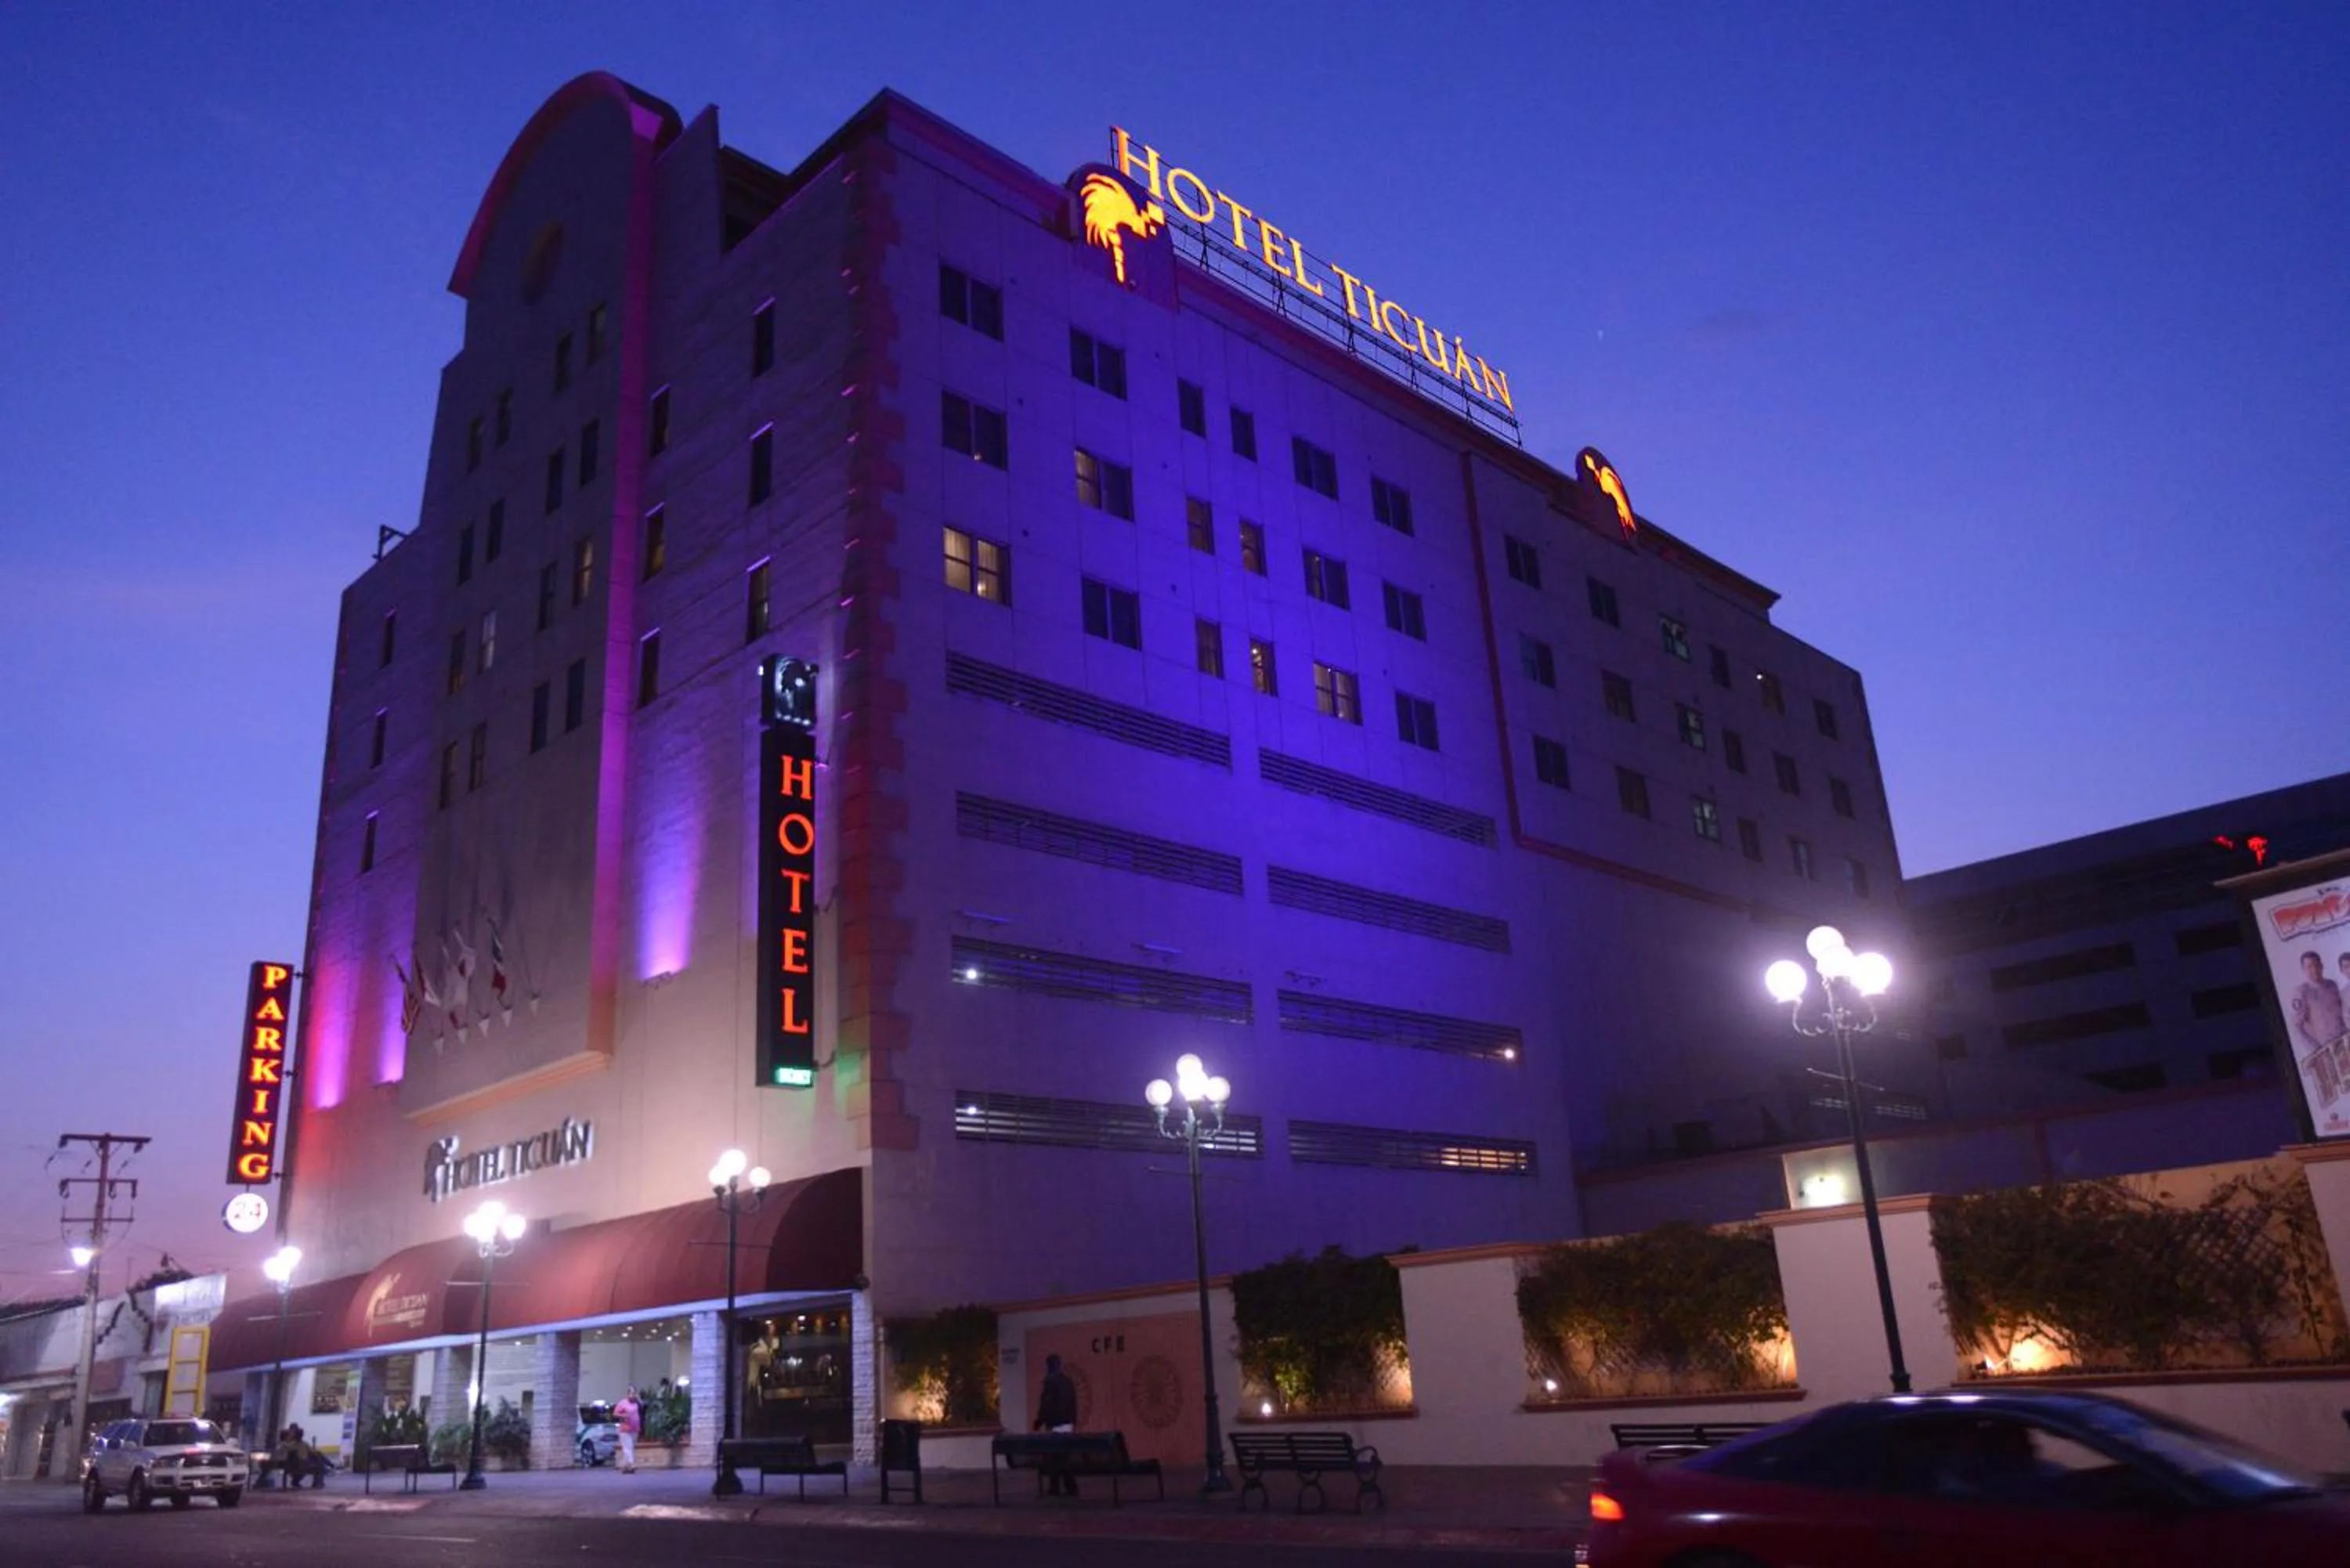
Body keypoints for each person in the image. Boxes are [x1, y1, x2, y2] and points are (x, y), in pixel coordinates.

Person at [1032, 1353, 1079, 1498]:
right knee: (1063, 1456)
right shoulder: (1068, 1381)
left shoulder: (1050, 1381)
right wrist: (1073, 1421)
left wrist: (1039, 1421)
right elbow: (1073, 1403)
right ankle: (1070, 1488)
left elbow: (1046, 1403)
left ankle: (1056, 1488)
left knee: (1054, 1456)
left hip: (1055, 1424)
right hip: (1068, 1423)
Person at [2290, 952, 2345, 1052]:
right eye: (2310, 967)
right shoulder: (2302, 992)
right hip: (2325, 1048)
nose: (2314, 970)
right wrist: (2316, 1049)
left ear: (2322, 966)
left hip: (2344, 1041)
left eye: (2317, 965)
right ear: (2303, 969)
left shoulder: (2332, 985)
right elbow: (2297, 1026)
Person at [613, 1386, 642, 1474]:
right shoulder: (623, 1403)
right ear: (628, 1394)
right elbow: (615, 1414)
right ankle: (632, 1464)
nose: (633, 1395)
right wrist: (623, 1416)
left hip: (634, 1429)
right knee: (628, 1447)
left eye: (635, 1393)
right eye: (632, 1393)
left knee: (630, 1447)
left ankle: (625, 1466)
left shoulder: (636, 1403)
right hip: (625, 1429)